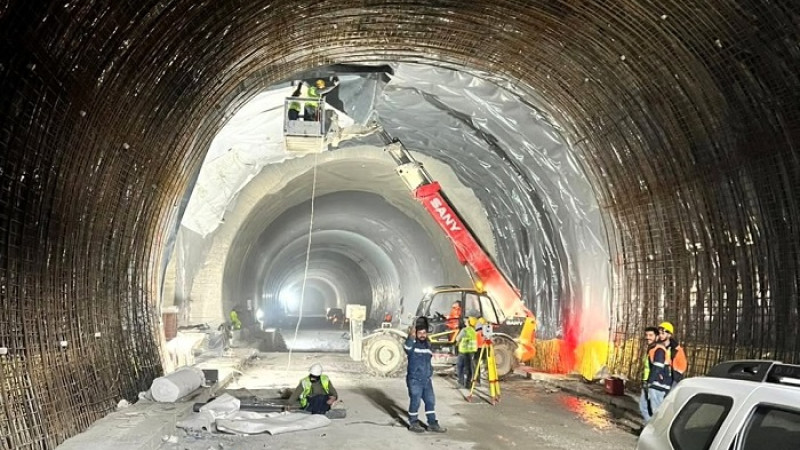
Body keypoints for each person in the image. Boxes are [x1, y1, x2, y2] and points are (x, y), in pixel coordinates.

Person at [404, 317, 447, 433]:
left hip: (426, 380)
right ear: (416, 334)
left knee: (430, 401)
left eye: (424, 333)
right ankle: (413, 423)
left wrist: (430, 372)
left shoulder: (428, 345)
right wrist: (411, 336)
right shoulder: (412, 345)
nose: (422, 335)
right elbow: (407, 347)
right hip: (415, 380)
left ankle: (432, 424)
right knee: (415, 401)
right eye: (420, 333)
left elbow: (428, 361)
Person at [641, 326, 672, 422]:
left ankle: (656, 432)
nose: (647, 337)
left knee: (656, 411)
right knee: (644, 406)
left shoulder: (659, 349)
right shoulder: (653, 348)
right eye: (646, 335)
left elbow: (657, 367)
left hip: (658, 383)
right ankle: (649, 429)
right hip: (651, 382)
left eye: (650, 335)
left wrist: (650, 381)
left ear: (657, 337)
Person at [659, 321, 688, 386]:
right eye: (659, 333)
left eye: (663, 333)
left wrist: (675, 377)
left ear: (669, 334)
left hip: (671, 380)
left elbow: (682, 365)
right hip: (657, 378)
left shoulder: (676, 349)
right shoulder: (656, 346)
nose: (660, 335)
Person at [455, 316, 478, 387]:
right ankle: (468, 384)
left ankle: (460, 382)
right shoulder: (474, 331)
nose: (464, 322)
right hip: (471, 351)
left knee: (460, 367)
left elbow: (457, 339)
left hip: (463, 351)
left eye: (466, 321)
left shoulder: (464, 330)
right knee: (469, 368)